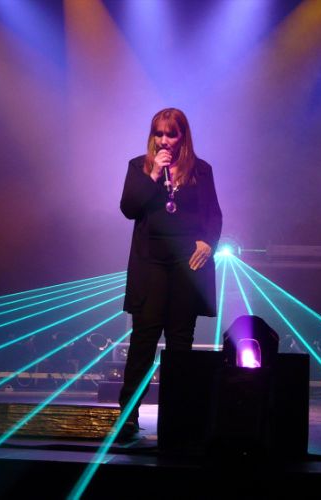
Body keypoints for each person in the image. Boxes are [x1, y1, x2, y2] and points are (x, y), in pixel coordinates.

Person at [118, 108, 222, 438]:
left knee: (180, 340)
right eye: (159, 134)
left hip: (186, 264)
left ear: (182, 136)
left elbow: (214, 215)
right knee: (144, 338)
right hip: (151, 262)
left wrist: (208, 242)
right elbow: (128, 208)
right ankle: (128, 415)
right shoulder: (139, 166)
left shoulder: (201, 170)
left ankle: (178, 416)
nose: (164, 140)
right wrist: (152, 175)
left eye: (171, 134)